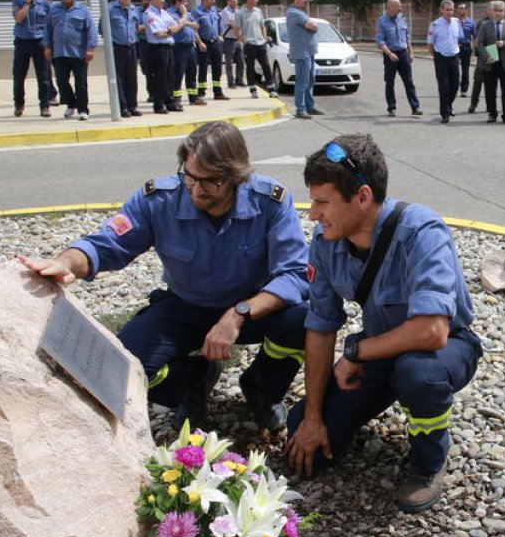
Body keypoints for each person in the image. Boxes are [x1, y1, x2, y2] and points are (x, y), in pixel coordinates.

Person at [20, 121, 310, 432]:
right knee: (128, 367)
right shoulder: (159, 199)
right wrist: (66, 263)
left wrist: (237, 315)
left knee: (305, 320)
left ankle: (262, 390)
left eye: (209, 181)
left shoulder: (270, 202)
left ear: (236, 177)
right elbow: (105, 244)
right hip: (184, 307)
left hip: (250, 309)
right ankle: (191, 381)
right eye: (189, 176)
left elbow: (294, 275)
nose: (196, 190)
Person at [285, 133, 482, 513]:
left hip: (445, 348)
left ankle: (430, 461)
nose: (312, 214)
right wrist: (312, 417)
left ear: (361, 197)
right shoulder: (325, 242)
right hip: (381, 348)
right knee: (304, 443)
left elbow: (432, 331)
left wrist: (358, 351)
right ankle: (356, 408)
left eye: (323, 202)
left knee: (418, 374)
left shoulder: (421, 231)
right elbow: (321, 327)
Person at [43, 0, 97, 121]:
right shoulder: (54, 10)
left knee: (81, 83)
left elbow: (91, 30)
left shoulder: (83, 10)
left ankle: (83, 109)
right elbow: (47, 29)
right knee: (61, 81)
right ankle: (71, 104)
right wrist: (47, 47)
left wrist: (90, 48)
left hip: (78, 54)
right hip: (60, 53)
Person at [11, 0, 53, 117]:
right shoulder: (17, 1)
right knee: (18, 75)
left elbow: (51, 23)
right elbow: (19, 18)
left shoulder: (44, 3)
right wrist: (27, 3)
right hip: (23, 42)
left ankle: (45, 106)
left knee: (44, 76)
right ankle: (19, 104)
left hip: (40, 42)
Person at [375, 0, 422, 117]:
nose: (400, 8)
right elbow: (380, 42)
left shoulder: (402, 19)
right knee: (389, 82)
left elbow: (407, 37)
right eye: (398, 6)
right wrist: (390, 54)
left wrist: (410, 52)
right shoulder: (381, 21)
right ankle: (391, 107)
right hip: (390, 55)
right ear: (390, 7)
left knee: (409, 81)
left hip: (403, 54)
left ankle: (415, 107)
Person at [102, 0, 142, 118]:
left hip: (131, 47)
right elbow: (102, 28)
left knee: (132, 78)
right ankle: (123, 107)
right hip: (117, 48)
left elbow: (136, 27)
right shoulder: (110, 9)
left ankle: (132, 106)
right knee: (119, 79)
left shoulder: (133, 9)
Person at [475, 0, 505, 124]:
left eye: (501, 11)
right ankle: (492, 113)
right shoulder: (485, 25)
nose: (498, 13)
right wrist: (486, 56)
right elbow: (480, 43)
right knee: (490, 89)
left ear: (504, 12)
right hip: (490, 61)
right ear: (492, 12)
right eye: (496, 10)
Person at [143, 0, 182, 115]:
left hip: (168, 47)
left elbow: (175, 26)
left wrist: (169, 31)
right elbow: (159, 34)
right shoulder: (149, 14)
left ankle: (169, 102)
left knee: (170, 76)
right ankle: (158, 104)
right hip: (157, 49)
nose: (163, 1)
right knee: (160, 77)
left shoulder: (164, 13)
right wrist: (169, 31)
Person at [286, 0, 322, 119]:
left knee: (310, 80)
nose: (305, 0)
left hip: (309, 52)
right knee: (302, 81)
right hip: (302, 53)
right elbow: (313, 26)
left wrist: (312, 26)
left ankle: (309, 106)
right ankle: (300, 109)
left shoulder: (301, 12)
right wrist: (313, 26)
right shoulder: (295, 13)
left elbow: (311, 26)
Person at [427, 0, 463, 123]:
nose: (449, 12)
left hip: (454, 56)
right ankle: (445, 113)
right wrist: (436, 56)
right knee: (444, 87)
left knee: (455, 85)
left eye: (451, 10)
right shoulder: (435, 25)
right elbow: (430, 44)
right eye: (447, 10)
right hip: (441, 57)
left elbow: (459, 38)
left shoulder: (457, 22)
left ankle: (448, 105)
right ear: (441, 10)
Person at [193, 0, 229, 102]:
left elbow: (220, 24)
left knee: (217, 68)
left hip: (216, 42)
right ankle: (201, 91)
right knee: (203, 68)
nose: (214, 1)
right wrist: (199, 42)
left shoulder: (215, 11)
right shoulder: (197, 12)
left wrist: (221, 35)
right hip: (204, 42)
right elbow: (194, 29)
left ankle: (218, 91)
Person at [237, 0, 274, 99]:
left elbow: (262, 26)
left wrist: (265, 38)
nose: (257, 0)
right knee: (250, 67)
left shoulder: (258, 11)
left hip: (260, 43)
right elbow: (236, 29)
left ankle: (272, 89)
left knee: (266, 65)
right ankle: (253, 89)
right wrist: (243, 40)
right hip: (249, 44)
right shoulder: (240, 13)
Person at [170, 0, 202, 109]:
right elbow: (178, 24)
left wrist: (199, 42)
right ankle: (176, 100)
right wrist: (187, 22)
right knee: (178, 74)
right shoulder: (170, 13)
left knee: (192, 73)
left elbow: (196, 26)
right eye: (184, 2)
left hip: (190, 46)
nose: (186, 4)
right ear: (177, 3)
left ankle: (193, 98)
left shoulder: (188, 14)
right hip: (179, 47)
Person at [467, 7, 491, 115]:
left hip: (495, 54)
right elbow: (477, 40)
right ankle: (473, 103)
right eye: (491, 10)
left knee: (490, 83)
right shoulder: (481, 23)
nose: (493, 12)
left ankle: (490, 105)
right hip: (483, 54)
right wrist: (481, 53)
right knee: (478, 81)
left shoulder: (500, 23)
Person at [221, 0, 245, 88]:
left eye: (236, 1)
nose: (236, 3)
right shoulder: (225, 12)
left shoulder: (238, 11)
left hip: (237, 39)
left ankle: (239, 80)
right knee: (229, 62)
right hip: (229, 39)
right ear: (229, 1)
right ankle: (230, 82)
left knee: (241, 61)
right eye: (234, 1)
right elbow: (233, 24)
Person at [456, 3, 476, 97]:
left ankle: (464, 89)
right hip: (455, 47)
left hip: (466, 47)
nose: (461, 10)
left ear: (466, 10)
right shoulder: (454, 22)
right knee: (454, 69)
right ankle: (454, 87)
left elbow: (475, 36)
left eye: (462, 9)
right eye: (459, 8)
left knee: (465, 69)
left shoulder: (471, 23)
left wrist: (474, 47)